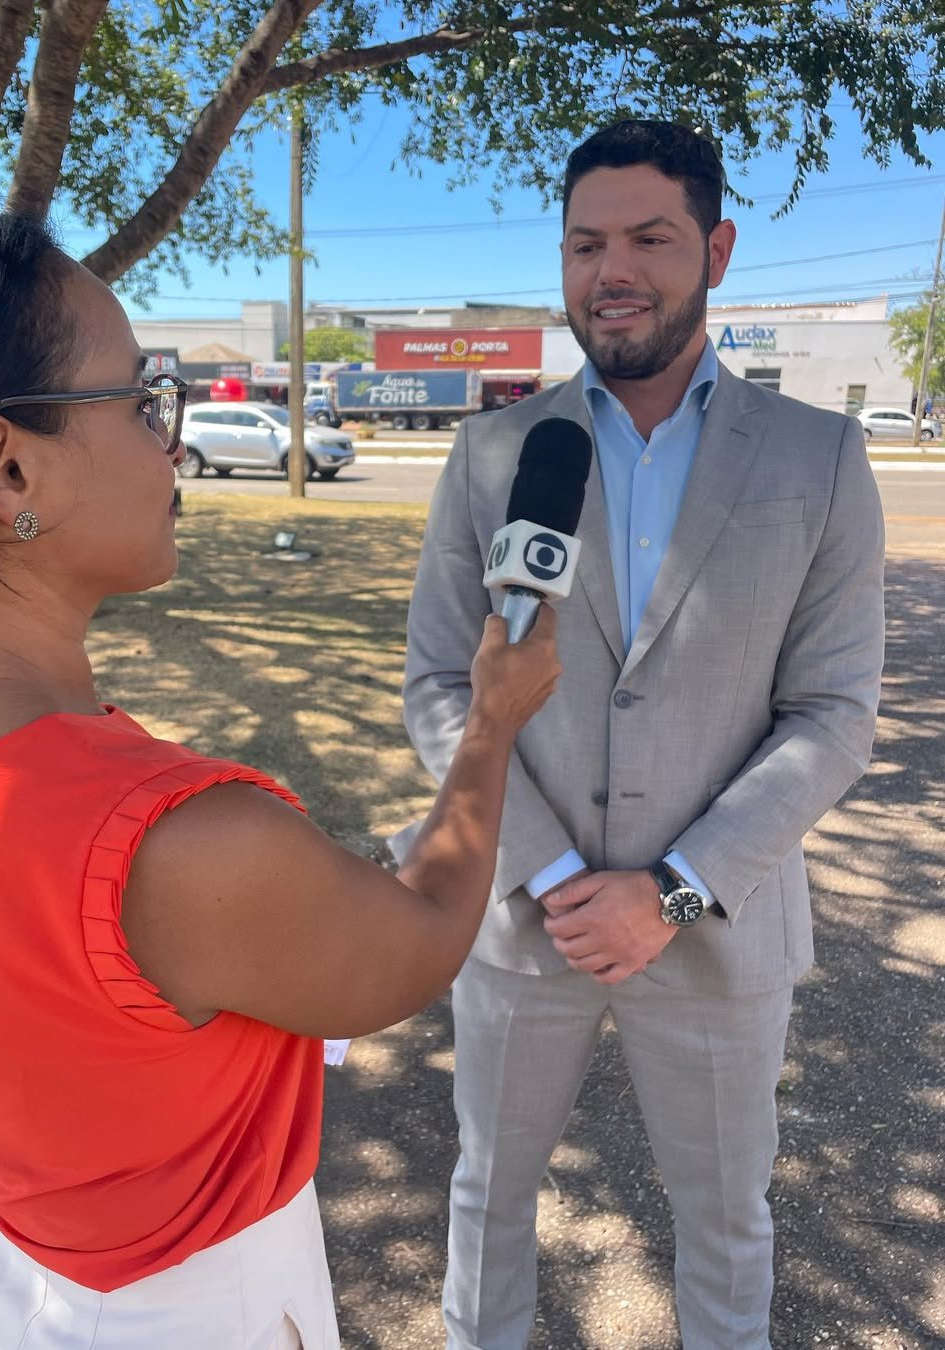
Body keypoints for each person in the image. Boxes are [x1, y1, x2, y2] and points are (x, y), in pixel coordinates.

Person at [0, 199, 562, 1350]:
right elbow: (417, 943)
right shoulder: (181, 842)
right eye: (142, 400)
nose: (172, 444)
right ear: (6, 466)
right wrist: (489, 727)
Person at [399, 119, 885, 1349]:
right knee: (488, 1201)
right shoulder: (494, 453)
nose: (611, 270)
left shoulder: (821, 456)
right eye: (585, 245)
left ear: (716, 251)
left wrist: (668, 892)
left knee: (726, 1224)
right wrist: (558, 875)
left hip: (716, 929)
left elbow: (833, 715)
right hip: (527, 917)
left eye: (650, 239)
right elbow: (440, 689)